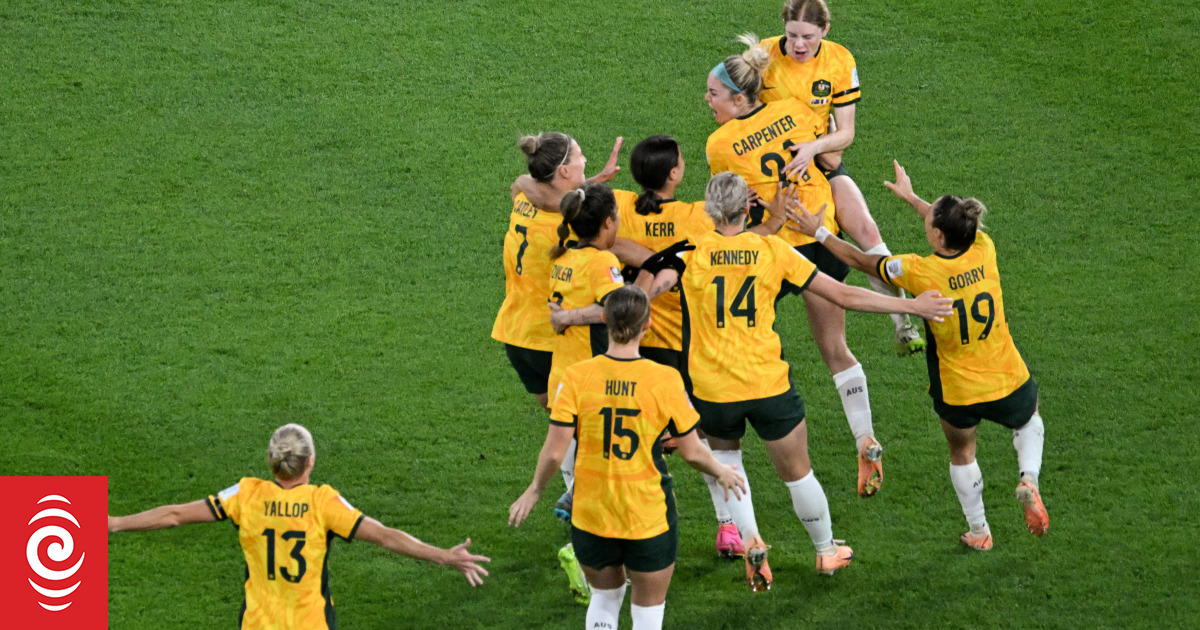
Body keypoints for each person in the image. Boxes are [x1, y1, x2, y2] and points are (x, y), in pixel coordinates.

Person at [638, 172, 952, 590]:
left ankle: (751, 541)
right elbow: (842, 295)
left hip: (711, 391)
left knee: (729, 468)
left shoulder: (685, 254)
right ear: (747, 209)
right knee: (798, 474)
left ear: (709, 210)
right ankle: (825, 550)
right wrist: (911, 304)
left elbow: (639, 296)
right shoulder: (774, 250)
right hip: (768, 386)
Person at [788, 160, 1049, 550]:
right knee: (1029, 420)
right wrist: (913, 199)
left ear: (938, 236)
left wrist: (819, 231)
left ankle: (979, 532)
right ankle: (1028, 477)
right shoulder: (983, 248)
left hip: (957, 389)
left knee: (962, 452)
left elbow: (860, 260)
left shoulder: (918, 271)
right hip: (1006, 374)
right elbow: (952, 222)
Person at [704, 35, 890, 499]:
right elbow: (831, 155)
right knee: (835, 348)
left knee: (728, 330)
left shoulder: (721, 144)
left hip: (775, 248)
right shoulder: (791, 107)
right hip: (820, 235)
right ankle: (864, 436)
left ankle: (709, 435)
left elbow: (733, 204)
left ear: (740, 98)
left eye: (713, 94)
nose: (707, 101)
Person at [509, 285, 747, 629]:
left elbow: (555, 449)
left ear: (604, 320)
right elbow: (693, 450)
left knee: (605, 599)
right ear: (647, 324)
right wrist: (720, 470)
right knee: (647, 615)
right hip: (646, 512)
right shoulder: (664, 379)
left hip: (592, 511)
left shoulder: (576, 377)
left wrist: (534, 490)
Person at [108, 424, 490, 629]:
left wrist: (115, 523)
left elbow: (174, 514)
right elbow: (386, 536)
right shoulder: (322, 502)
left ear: (271, 462)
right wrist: (444, 556)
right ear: (310, 462)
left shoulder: (246, 495)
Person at [618, 134, 802, 559]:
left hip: (643, 345)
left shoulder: (623, 206)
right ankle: (727, 528)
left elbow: (599, 230)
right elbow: (737, 245)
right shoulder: (693, 218)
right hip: (689, 345)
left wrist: (647, 257)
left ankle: (623, 514)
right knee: (699, 442)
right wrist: (770, 217)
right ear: (675, 174)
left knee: (642, 439)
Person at [759, 0, 927, 357]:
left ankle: (903, 325)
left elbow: (846, 133)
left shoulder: (839, 60)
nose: (798, 45)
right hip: (776, 171)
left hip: (820, 160)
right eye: (791, 36)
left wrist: (816, 147)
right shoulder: (763, 56)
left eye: (807, 36)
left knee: (866, 231)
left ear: (825, 32)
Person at [493, 132, 621, 411]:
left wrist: (595, 180)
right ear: (564, 170)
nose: (585, 158)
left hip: (515, 334)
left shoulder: (522, 198)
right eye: (579, 155)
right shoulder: (569, 226)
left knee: (562, 423)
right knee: (584, 427)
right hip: (550, 338)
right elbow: (619, 246)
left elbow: (528, 184)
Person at [544, 181, 629, 521]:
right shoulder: (601, 261)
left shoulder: (561, 257)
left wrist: (565, 316)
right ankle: (583, 502)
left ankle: (577, 508)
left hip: (561, 376)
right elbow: (618, 310)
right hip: (591, 378)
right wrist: (570, 316)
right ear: (607, 222)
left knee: (573, 453)